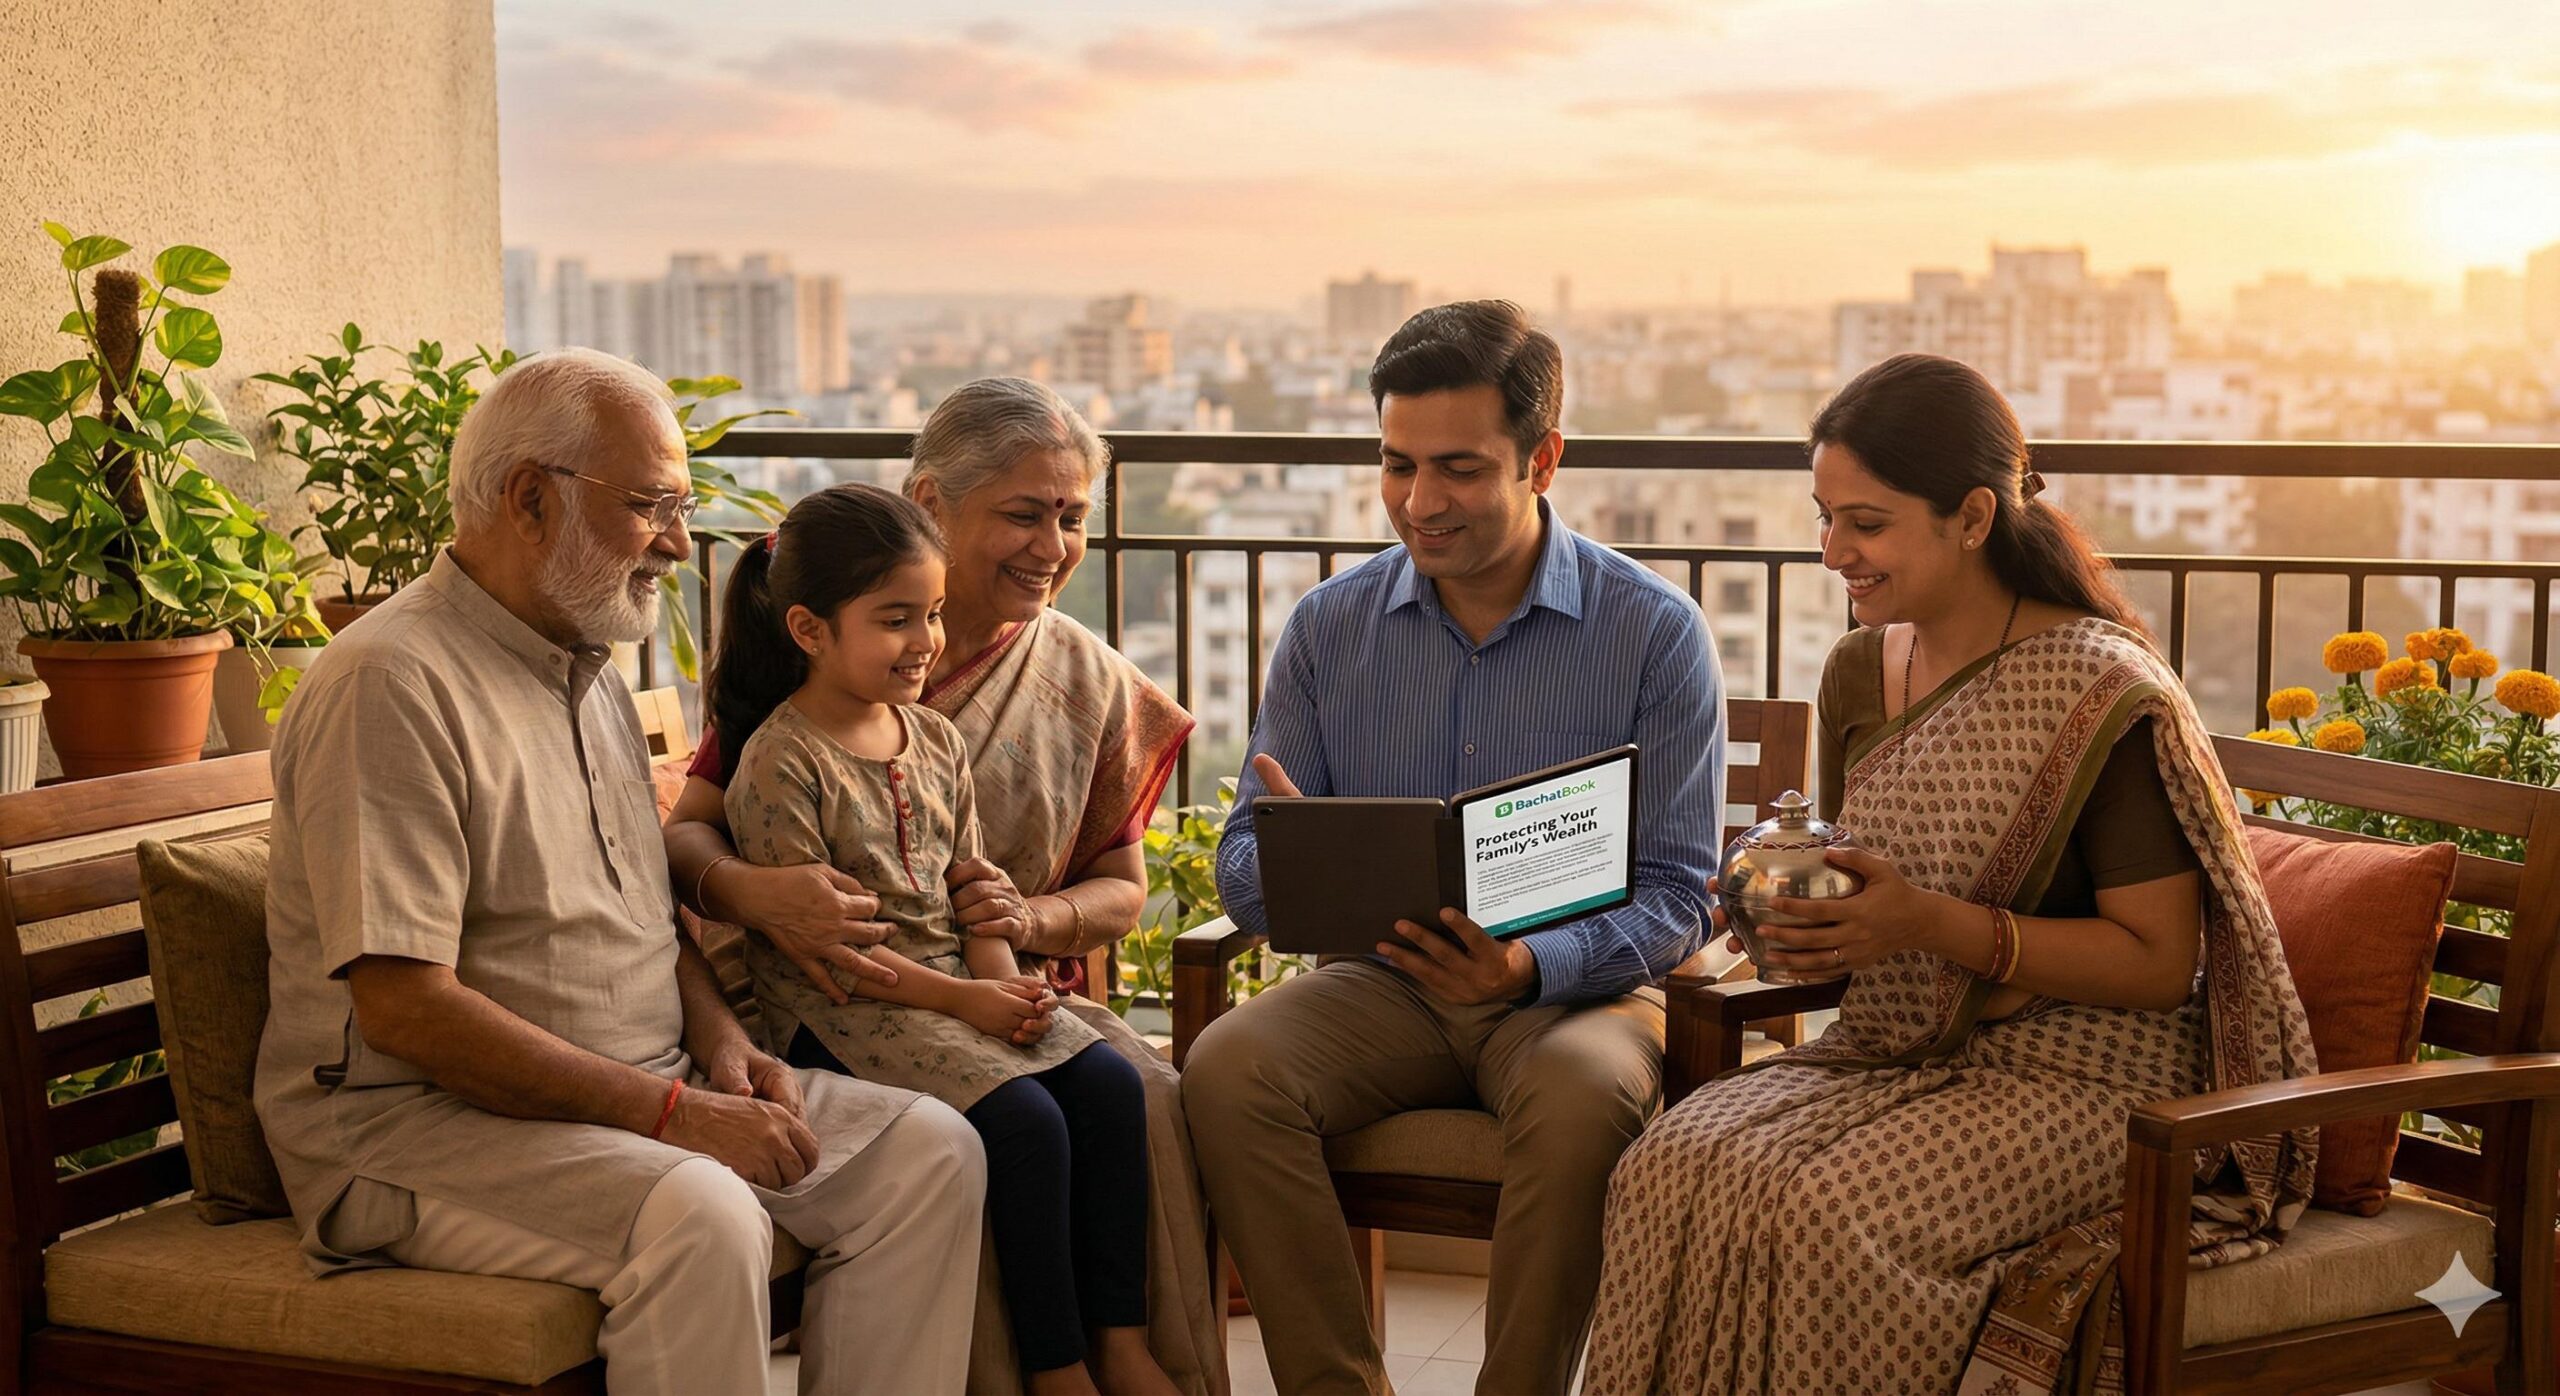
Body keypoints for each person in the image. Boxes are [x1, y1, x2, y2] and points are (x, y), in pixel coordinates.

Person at [253, 348, 985, 1396]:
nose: (680, 542)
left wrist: (722, 1047)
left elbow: (647, 919)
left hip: (636, 1092)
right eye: (650, 505)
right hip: (413, 1130)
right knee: (702, 1213)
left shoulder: (585, 662)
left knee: (928, 1155)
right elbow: (406, 1012)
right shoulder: (390, 684)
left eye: (681, 506)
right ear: (527, 499)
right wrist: (677, 1117)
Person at [1584, 353, 2318, 1396]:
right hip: (1904, 1046)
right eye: (1824, 515)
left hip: (2095, 1071)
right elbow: (1873, 889)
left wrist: (1924, 923)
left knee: (1837, 1212)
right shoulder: (1857, 671)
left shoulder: (2095, 688)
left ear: (1973, 516)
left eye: (1866, 524)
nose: (1833, 550)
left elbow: (2162, 966)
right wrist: (1793, 921)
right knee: (1669, 1164)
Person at [1181, 300, 1727, 1396]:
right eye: (1396, 465)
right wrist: (1286, 864)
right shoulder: (1330, 628)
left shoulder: (1652, 632)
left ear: (1544, 459)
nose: (1419, 504)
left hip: (1578, 996)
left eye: (1460, 470)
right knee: (1228, 1067)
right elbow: (1244, 853)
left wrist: (1530, 964)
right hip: (1382, 985)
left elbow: (1680, 893)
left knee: (1582, 1096)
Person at [664, 376, 1220, 1394]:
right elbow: (689, 841)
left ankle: (1126, 1349)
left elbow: (1119, 887)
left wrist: (1026, 922)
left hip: (987, 972)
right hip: (837, 990)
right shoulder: (804, 692)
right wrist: (752, 893)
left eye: (1072, 517)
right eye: (1022, 512)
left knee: (1136, 1090)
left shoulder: (1075, 680)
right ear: (930, 499)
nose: (1051, 546)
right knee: (1020, 1118)